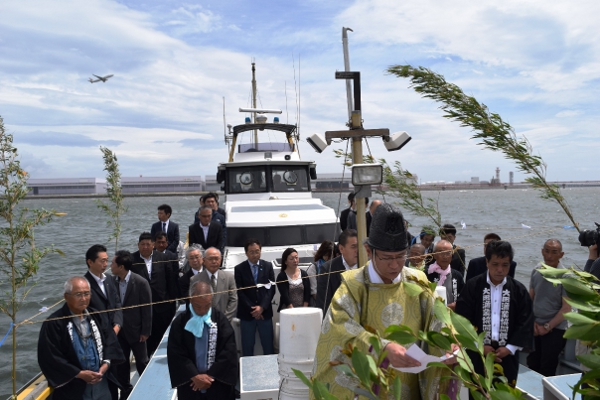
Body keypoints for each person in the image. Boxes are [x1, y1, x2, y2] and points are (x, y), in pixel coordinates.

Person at [312, 204, 456, 399]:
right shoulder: (353, 286)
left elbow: (438, 318)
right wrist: (381, 347)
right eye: (387, 258)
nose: (395, 265)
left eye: (400, 256)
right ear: (369, 251)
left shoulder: (416, 281)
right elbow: (339, 331)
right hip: (368, 388)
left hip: (408, 386)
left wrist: (450, 342)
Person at [455, 240, 534, 389]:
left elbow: (525, 321)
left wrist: (509, 348)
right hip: (477, 354)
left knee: (505, 393)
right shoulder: (473, 286)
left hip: (507, 355)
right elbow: (462, 319)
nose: (500, 270)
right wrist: (479, 345)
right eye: (495, 264)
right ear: (487, 262)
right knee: (477, 392)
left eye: (505, 265)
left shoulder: (519, 290)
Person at [38, 276, 124, 400]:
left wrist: (105, 365)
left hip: (102, 381)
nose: (83, 299)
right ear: (66, 296)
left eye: (87, 294)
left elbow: (110, 342)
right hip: (75, 385)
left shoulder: (96, 316)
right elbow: (50, 356)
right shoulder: (54, 323)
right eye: (78, 294)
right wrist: (79, 374)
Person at [167, 281, 237, 400]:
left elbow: (228, 351)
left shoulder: (220, 320)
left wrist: (210, 376)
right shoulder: (180, 322)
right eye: (198, 306)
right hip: (191, 383)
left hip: (216, 382)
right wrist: (194, 375)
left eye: (207, 305)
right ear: (190, 299)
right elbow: (176, 353)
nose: (202, 310)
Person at [110, 250, 152, 400]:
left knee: (142, 362)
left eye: (113, 263)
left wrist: (146, 331)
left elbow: (147, 308)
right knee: (121, 365)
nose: (110, 266)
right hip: (119, 332)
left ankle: (147, 388)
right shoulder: (112, 282)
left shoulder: (140, 282)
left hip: (137, 331)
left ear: (121, 266)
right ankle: (126, 392)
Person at [526, 239, 571, 376]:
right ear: (542, 251)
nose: (549, 256)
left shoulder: (566, 276)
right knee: (532, 363)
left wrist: (547, 327)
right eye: (547, 251)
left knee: (547, 366)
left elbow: (566, 308)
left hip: (556, 329)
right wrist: (532, 322)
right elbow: (530, 299)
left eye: (554, 252)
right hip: (535, 326)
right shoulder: (537, 270)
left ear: (561, 254)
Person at [131, 232, 178, 356]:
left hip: (162, 304)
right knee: (146, 338)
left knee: (162, 335)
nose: (145, 247)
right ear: (138, 245)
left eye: (148, 244)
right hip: (141, 307)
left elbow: (170, 279)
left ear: (153, 245)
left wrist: (171, 299)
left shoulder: (163, 258)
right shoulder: (132, 260)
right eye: (142, 244)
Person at [233, 238, 276, 356]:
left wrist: (262, 307)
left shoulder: (267, 266)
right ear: (246, 253)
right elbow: (240, 292)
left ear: (261, 251)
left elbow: (271, 289)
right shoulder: (239, 269)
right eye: (251, 252)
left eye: (257, 251)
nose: (254, 254)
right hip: (247, 314)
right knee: (247, 348)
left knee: (268, 347)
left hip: (265, 313)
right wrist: (254, 309)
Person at [84, 244, 123, 339]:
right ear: (90, 262)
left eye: (106, 260)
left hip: (115, 332)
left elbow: (117, 303)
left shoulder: (109, 279)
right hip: (97, 336)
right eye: (102, 261)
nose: (106, 264)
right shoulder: (84, 285)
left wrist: (117, 325)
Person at [316, 229, 358, 314]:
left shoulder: (367, 265)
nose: (357, 250)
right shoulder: (328, 269)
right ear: (341, 248)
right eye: (353, 247)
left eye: (358, 246)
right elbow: (323, 303)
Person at [192, 247, 238, 322]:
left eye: (216, 259)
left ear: (221, 260)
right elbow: (194, 302)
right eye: (210, 259)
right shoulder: (195, 279)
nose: (214, 262)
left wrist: (224, 320)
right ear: (204, 261)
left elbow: (233, 300)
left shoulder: (229, 278)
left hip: (225, 322)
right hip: (203, 322)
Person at [426, 240, 465, 310]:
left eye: (448, 253)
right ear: (434, 255)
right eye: (441, 253)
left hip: (452, 314)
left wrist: (456, 304)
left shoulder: (457, 275)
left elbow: (464, 296)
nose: (445, 256)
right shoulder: (427, 274)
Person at [306, 240, 334, 306]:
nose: (329, 258)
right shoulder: (314, 267)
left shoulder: (335, 265)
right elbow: (314, 291)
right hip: (319, 302)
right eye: (327, 255)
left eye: (331, 255)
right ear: (322, 253)